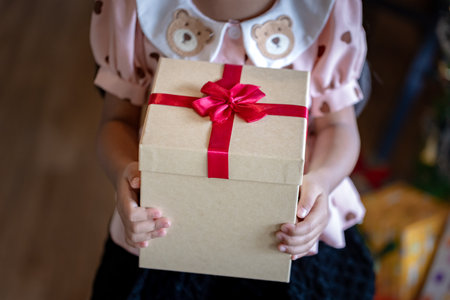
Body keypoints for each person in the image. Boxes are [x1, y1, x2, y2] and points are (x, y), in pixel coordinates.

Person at [90, 0, 375, 298]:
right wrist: (124, 171)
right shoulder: (133, 6)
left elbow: (337, 126)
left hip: (288, 230)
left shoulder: (325, 7)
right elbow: (118, 119)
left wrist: (322, 181)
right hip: (167, 220)